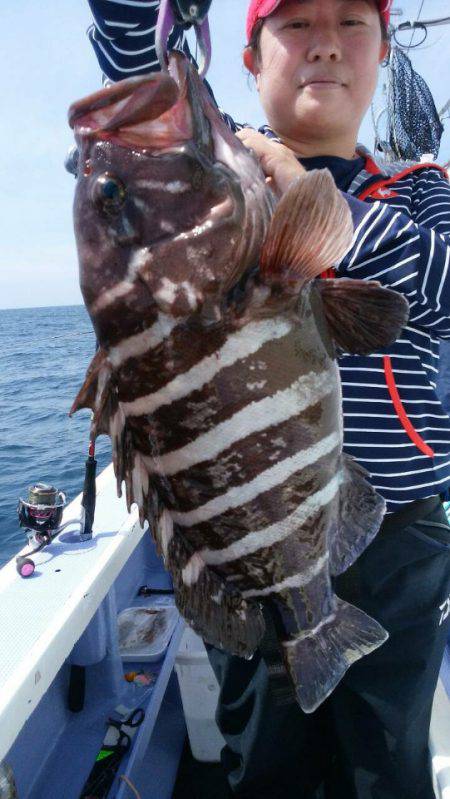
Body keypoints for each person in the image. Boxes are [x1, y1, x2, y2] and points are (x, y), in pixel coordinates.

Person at [84, 1, 450, 797]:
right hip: (245, 555)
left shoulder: (422, 192)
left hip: (401, 538)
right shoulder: (212, 181)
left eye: (351, 23)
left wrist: (310, 191)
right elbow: (138, 89)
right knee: (268, 768)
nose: (327, 45)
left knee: (390, 766)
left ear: (385, 52)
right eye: (296, 24)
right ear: (248, 59)